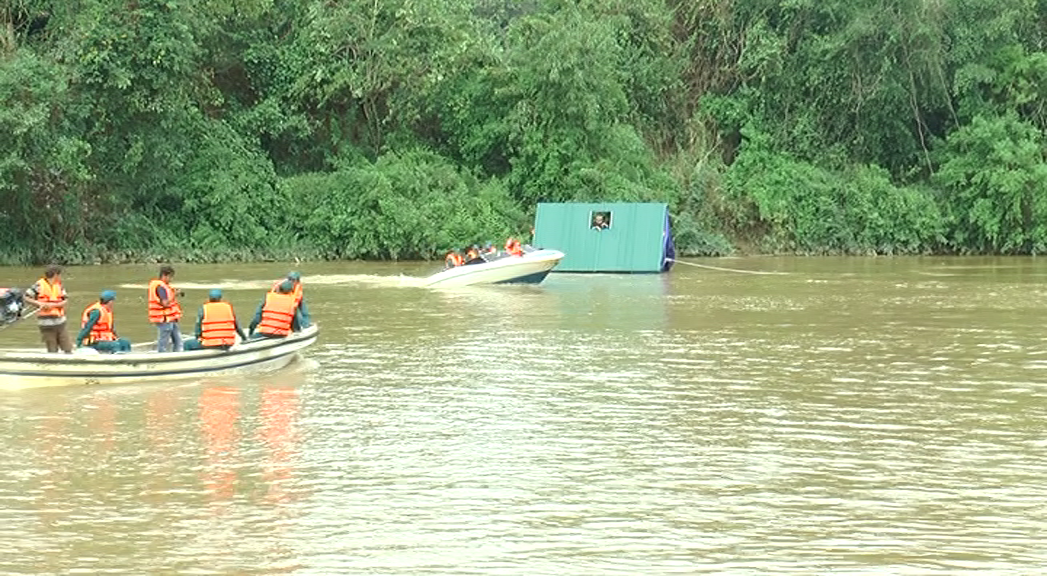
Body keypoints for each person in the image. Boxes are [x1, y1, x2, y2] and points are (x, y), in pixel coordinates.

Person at [22, 265, 72, 353]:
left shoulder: (59, 286)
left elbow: (65, 301)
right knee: (52, 349)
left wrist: (53, 305)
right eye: (60, 275)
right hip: (46, 324)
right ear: (56, 275)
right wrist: (39, 303)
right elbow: (26, 297)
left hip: (60, 322)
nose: (60, 277)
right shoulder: (39, 285)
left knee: (68, 348)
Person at [148, 265, 183, 352]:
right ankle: (161, 356)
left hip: (170, 319)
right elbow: (165, 303)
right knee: (163, 342)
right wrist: (175, 295)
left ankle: (178, 354)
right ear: (164, 275)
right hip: (164, 319)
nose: (171, 280)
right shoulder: (160, 287)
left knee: (178, 340)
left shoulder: (165, 286)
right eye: (170, 277)